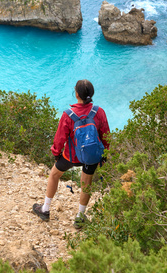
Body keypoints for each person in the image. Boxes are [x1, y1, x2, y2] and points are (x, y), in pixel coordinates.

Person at [32, 79, 110, 228]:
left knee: (54, 175)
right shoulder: (99, 112)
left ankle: (45, 209)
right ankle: (80, 217)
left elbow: (59, 138)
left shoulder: (68, 115)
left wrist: (56, 153)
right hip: (92, 157)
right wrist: (104, 155)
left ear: (76, 94)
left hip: (71, 157)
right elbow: (106, 135)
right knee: (86, 183)